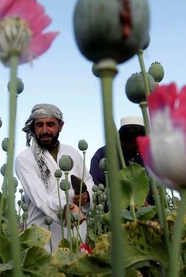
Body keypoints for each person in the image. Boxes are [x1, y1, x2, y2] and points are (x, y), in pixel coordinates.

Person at [15, 103, 93, 253]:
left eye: (50, 124)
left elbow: (88, 181)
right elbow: (40, 198)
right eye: (39, 125)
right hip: (43, 234)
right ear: (32, 127)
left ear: (60, 126)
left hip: (76, 232)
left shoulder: (72, 153)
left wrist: (87, 195)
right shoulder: (24, 159)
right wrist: (66, 208)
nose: (45, 130)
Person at [90, 116, 153, 205]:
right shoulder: (103, 155)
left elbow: (155, 192)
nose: (139, 150)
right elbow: (97, 192)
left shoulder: (148, 158)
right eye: (134, 146)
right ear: (121, 141)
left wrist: (149, 207)